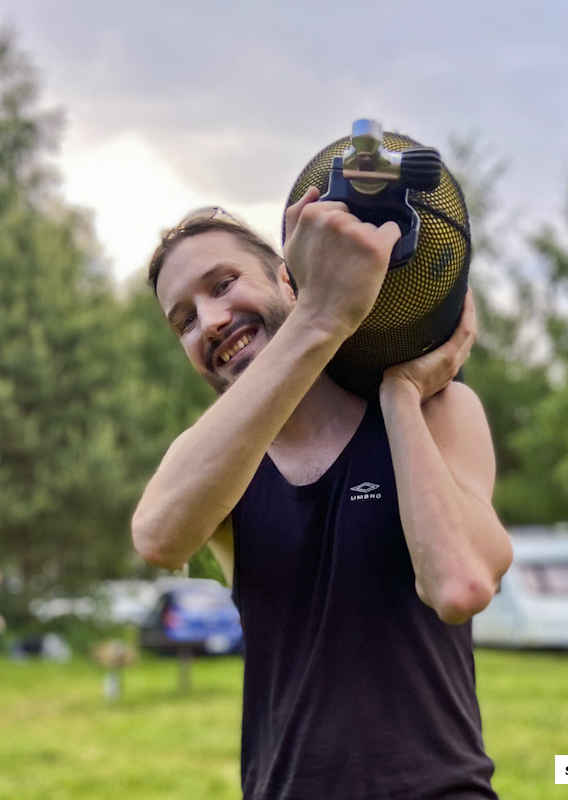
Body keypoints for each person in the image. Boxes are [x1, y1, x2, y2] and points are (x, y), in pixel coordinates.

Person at [133, 191, 514, 799]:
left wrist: (399, 396)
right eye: (183, 318)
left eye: (223, 283)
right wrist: (320, 317)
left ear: (289, 278)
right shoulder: (213, 463)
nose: (209, 320)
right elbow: (158, 538)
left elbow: (458, 585)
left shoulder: (438, 407)